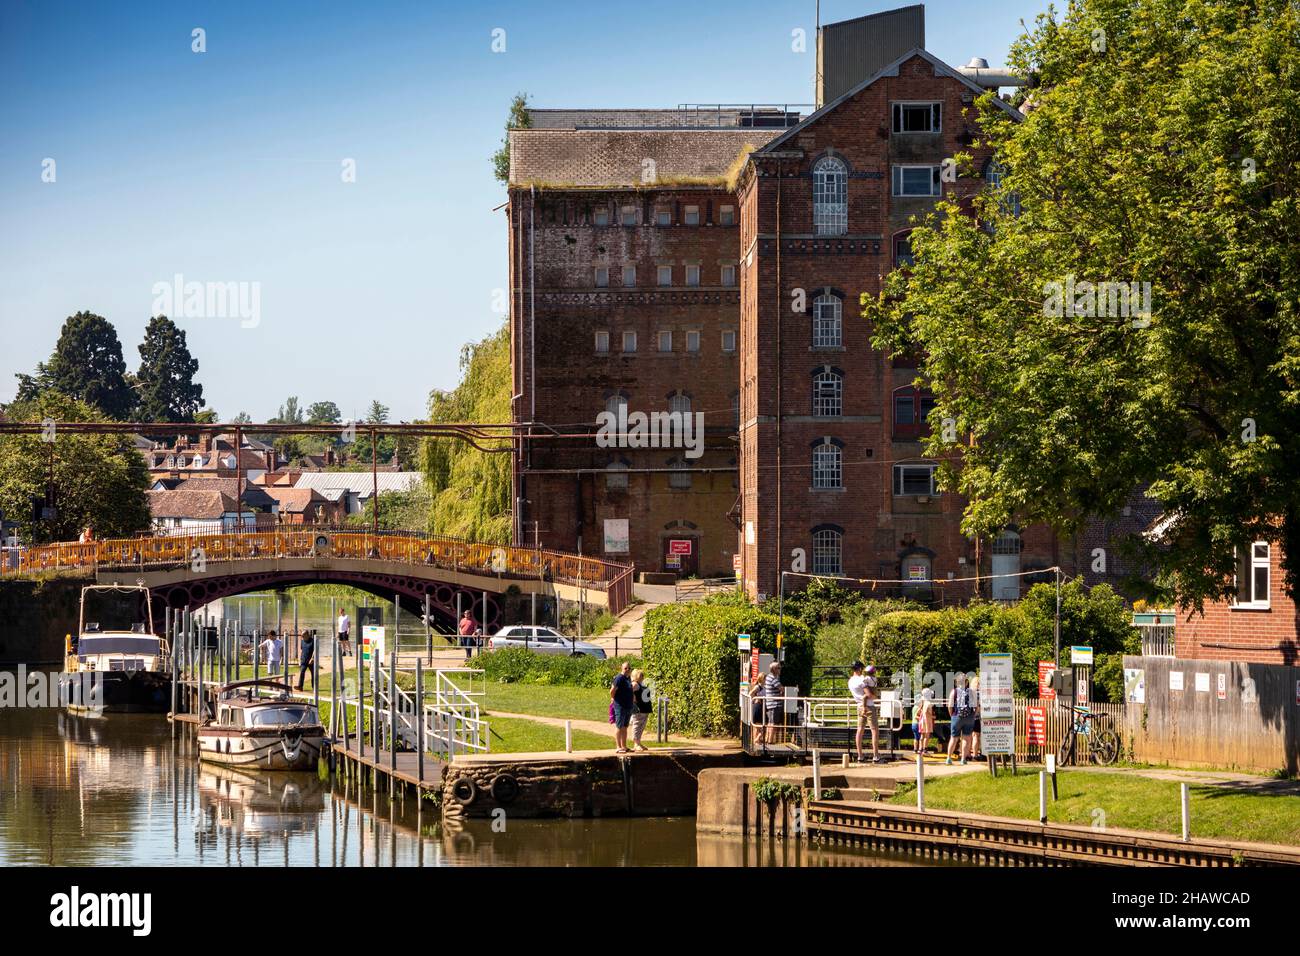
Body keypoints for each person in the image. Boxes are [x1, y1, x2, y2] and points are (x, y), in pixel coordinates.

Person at [848, 661, 881, 762]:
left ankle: (860, 756)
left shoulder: (850, 681)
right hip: (869, 707)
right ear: (859, 669)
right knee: (874, 730)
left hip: (859, 706)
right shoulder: (861, 680)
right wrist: (876, 696)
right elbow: (869, 695)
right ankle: (875, 756)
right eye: (861, 669)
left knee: (860, 730)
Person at [946, 673, 979, 765]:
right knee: (967, 738)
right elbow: (976, 707)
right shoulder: (972, 692)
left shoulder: (954, 692)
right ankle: (963, 759)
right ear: (966, 682)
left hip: (956, 716)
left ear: (957, 682)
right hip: (969, 717)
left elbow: (950, 706)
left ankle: (949, 758)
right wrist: (972, 716)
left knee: (953, 738)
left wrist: (952, 715)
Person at [610, 660, 634, 753]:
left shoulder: (628, 678)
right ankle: (618, 746)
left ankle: (624, 746)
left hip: (628, 706)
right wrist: (613, 699)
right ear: (622, 669)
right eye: (625, 668)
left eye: (629, 668)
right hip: (620, 706)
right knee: (619, 726)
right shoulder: (619, 678)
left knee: (625, 727)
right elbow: (612, 690)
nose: (627, 670)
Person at [629, 668, 653, 752]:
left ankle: (638, 742)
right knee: (637, 726)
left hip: (644, 709)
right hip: (639, 709)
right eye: (640, 675)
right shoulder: (635, 684)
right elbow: (629, 692)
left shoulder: (639, 684)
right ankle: (636, 744)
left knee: (641, 727)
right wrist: (633, 699)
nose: (642, 676)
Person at [762, 661, 784, 744]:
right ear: (774, 669)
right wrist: (782, 690)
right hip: (774, 704)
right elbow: (781, 689)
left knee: (770, 722)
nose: (780, 669)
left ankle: (768, 739)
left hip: (770, 704)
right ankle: (770, 741)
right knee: (773, 723)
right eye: (778, 668)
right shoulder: (773, 678)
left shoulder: (768, 677)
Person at [915, 687, 936, 754]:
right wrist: (933, 716)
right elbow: (927, 712)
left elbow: (918, 712)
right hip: (927, 721)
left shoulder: (922, 703)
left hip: (922, 721)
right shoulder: (929, 704)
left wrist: (922, 714)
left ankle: (920, 748)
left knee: (922, 735)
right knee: (927, 735)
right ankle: (925, 748)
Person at [969, 674, 983, 760]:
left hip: (968, 717)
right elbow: (978, 706)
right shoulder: (979, 693)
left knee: (968, 736)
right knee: (976, 736)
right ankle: (975, 754)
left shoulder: (969, 692)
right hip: (977, 717)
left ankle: (967, 754)